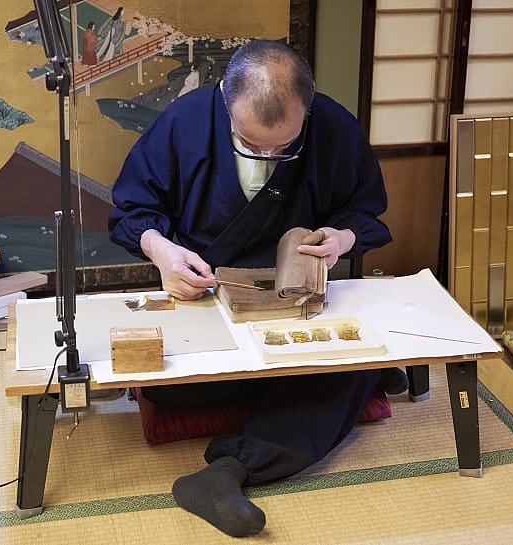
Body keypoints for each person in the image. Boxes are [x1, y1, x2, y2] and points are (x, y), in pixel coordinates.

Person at [108, 39, 407, 537]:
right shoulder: (184, 122)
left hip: (298, 306)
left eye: (282, 147)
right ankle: (335, 391)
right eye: (252, 144)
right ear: (225, 96)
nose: (268, 155)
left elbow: (364, 210)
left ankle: (229, 471)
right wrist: (162, 251)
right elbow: (131, 211)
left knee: (350, 368)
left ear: (306, 109)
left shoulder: (331, 126)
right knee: (171, 388)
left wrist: (343, 239)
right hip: (205, 300)